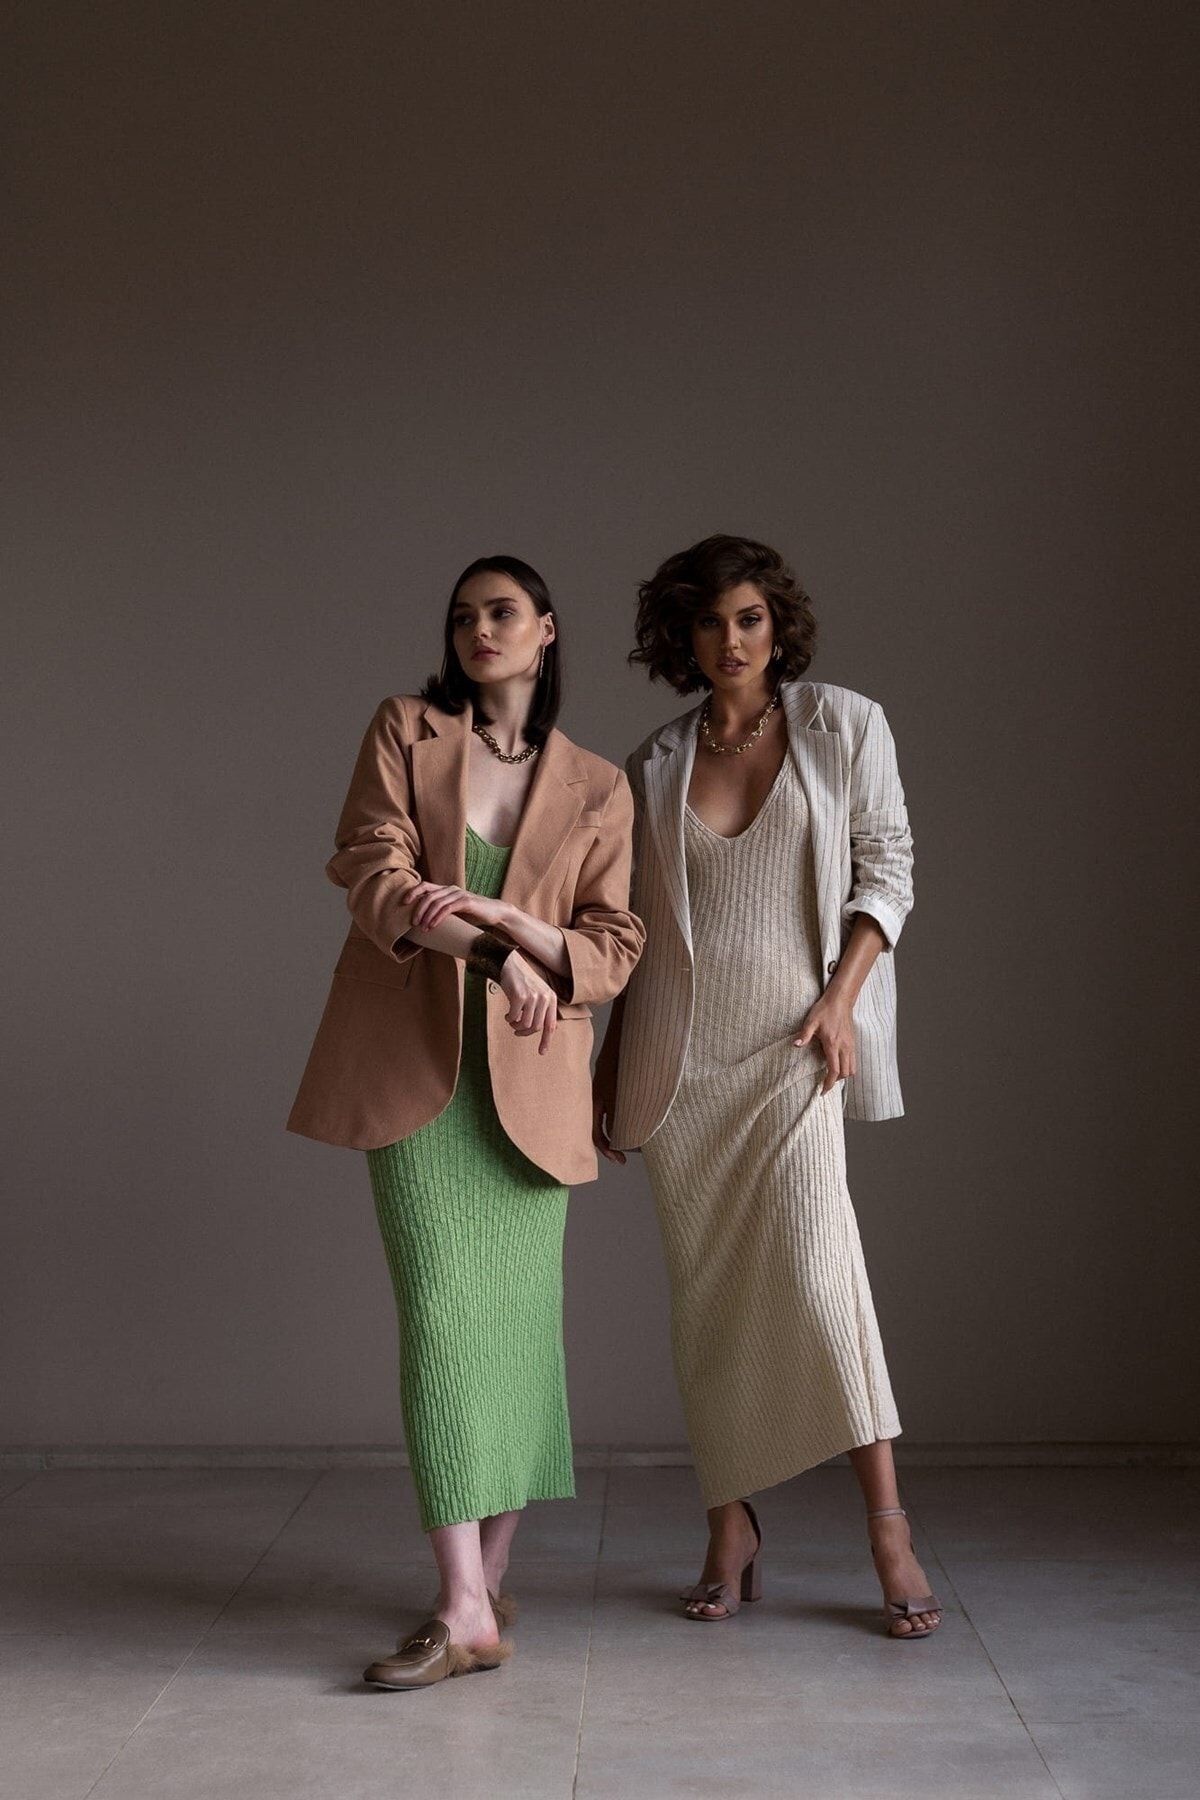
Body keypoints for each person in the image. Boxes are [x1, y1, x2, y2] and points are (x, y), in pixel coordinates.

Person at [289, 555, 645, 1688]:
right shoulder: (407, 731)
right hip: (416, 1077)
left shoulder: (596, 784)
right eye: (462, 616)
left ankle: (481, 1598)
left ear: (547, 629)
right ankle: (461, 1601)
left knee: (519, 1337)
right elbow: (373, 873)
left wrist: (514, 922)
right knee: (444, 1323)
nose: (478, 629)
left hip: (534, 1088)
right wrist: (497, 954)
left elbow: (613, 949)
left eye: (501, 612)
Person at [592, 534, 941, 1639]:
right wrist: (609, 1065)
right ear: (682, 637)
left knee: (824, 1284)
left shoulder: (846, 725)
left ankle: (888, 1527)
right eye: (708, 622)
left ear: (777, 623)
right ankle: (729, 1525)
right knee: (710, 1307)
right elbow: (638, 932)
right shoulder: (654, 762)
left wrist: (840, 1000)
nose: (731, 640)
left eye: (748, 617)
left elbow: (888, 870)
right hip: (683, 1068)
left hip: (796, 1051)